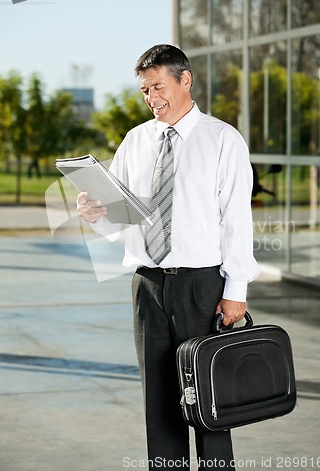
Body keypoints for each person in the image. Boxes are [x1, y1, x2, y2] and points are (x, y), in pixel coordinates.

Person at [77, 44, 260, 470]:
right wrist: (95, 215)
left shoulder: (222, 140)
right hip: (148, 286)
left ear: (185, 80)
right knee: (159, 401)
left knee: (209, 401)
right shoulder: (136, 141)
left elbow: (236, 220)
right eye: (144, 90)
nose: (151, 97)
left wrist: (237, 290)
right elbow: (118, 216)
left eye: (158, 86)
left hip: (202, 287)